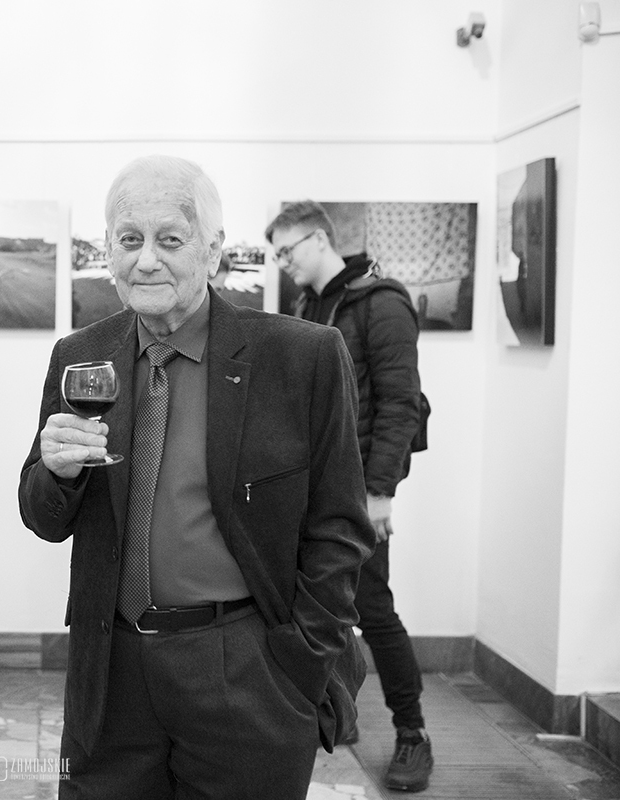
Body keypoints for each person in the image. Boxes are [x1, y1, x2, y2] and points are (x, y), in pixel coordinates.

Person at [18, 156, 375, 799]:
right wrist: (55, 472)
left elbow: (340, 530)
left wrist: (300, 667)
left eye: (170, 239)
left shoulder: (302, 357)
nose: (146, 260)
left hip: (246, 669)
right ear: (108, 251)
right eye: (129, 240)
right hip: (112, 673)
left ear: (213, 252)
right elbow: (42, 516)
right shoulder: (81, 355)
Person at [266, 199, 431, 792]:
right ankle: (340, 710)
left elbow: (401, 405)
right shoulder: (307, 307)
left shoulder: (381, 303)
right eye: (276, 255)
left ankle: (412, 733)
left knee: (374, 609)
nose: (283, 263)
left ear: (318, 239)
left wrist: (380, 493)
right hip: (311, 488)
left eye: (287, 250)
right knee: (319, 604)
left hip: (360, 491)